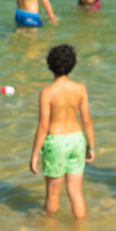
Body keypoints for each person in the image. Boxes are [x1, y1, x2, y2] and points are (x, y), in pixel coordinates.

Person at [30, 45, 94, 218]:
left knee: (53, 193)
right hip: (77, 140)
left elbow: (43, 126)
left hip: (56, 141)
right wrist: (92, 146)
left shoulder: (47, 93)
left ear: (50, 64)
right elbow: (87, 119)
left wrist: (35, 154)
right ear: (72, 64)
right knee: (76, 192)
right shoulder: (80, 88)